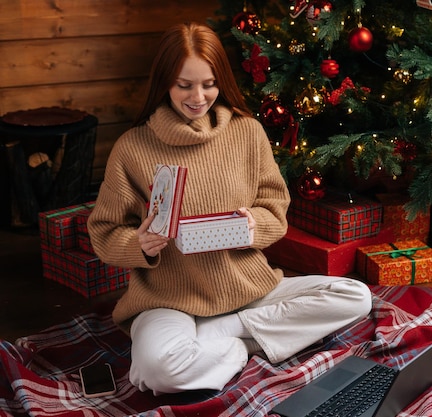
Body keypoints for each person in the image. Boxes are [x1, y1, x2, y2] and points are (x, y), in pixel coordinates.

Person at [87, 22, 372, 395]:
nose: (198, 97)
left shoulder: (247, 132)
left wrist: (254, 225)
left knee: (356, 297)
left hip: (249, 288)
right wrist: (138, 244)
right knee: (158, 372)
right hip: (168, 300)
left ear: (221, 79)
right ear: (164, 83)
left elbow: (275, 209)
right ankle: (243, 346)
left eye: (208, 83)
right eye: (184, 85)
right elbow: (104, 231)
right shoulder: (132, 147)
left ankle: (226, 332)